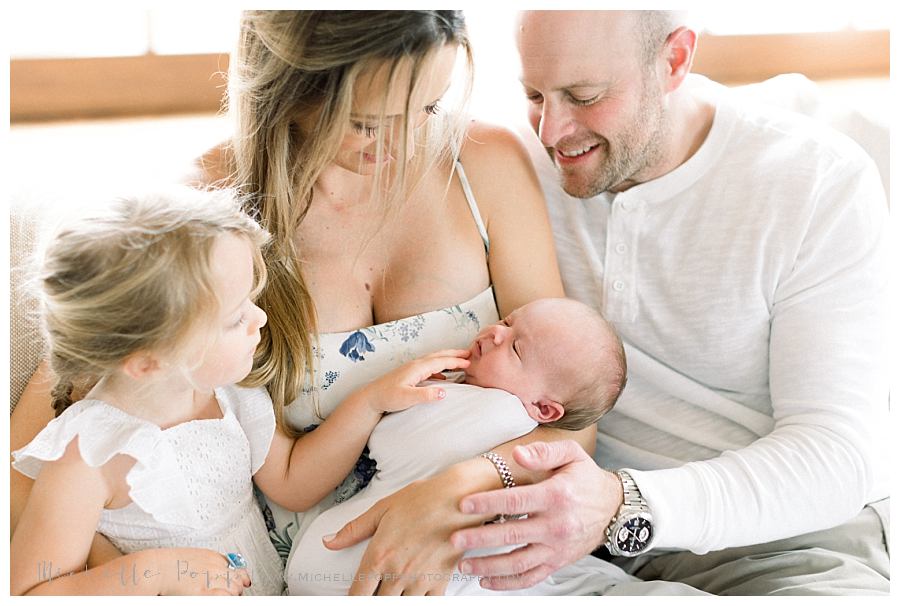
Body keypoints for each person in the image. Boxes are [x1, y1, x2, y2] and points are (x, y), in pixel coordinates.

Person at [10, 10, 588, 596]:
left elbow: (573, 407)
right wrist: (138, 574)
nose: (412, 141)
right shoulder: (203, 222)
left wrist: (453, 497)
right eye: (368, 123)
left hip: (485, 545)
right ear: (288, 89)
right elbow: (46, 437)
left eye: (430, 108)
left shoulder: (484, 162)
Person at [441, 10, 890, 595]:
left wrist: (623, 504)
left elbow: (839, 453)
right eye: (534, 94)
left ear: (674, 60)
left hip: (789, 548)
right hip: (572, 546)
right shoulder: (510, 165)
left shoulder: (814, 180)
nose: (551, 130)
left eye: (584, 96)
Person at [10, 188, 276, 595]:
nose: (259, 318)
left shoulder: (221, 393)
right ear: (149, 362)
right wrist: (157, 570)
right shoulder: (90, 456)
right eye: (235, 316)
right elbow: (31, 594)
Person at [287, 297, 628, 595]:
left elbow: (392, 443)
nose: (496, 332)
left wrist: (403, 398)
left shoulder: (497, 409)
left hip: (374, 574)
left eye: (515, 348)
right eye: (507, 321)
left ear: (544, 410)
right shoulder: (522, 427)